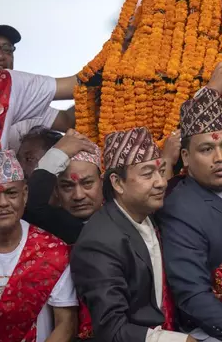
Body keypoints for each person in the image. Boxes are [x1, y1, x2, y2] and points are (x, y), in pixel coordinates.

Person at [158, 62, 222, 341]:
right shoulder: (180, 207)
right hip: (220, 331)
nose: (220, 158)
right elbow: (192, 296)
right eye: (207, 149)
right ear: (186, 158)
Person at [71, 127, 194, 342]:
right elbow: (112, 331)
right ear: (118, 183)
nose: (162, 182)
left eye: (160, 170)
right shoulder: (100, 243)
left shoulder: (149, 215)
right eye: (148, 174)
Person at [0, 149, 78, 341]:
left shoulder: (51, 251)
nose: (3, 203)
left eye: (11, 193)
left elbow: (66, 323)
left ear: (24, 195)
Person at [0, 20, 77, 150]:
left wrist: (106, 89)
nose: (0, 56)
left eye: (7, 49)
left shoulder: (21, 95)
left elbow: (68, 120)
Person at [21, 129, 102, 244]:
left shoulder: (120, 217)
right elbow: (31, 205)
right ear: (56, 191)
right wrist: (58, 154)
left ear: (102, 182)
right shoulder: (57, 225)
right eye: (67, 186)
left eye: (87, 183)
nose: (78, 196)